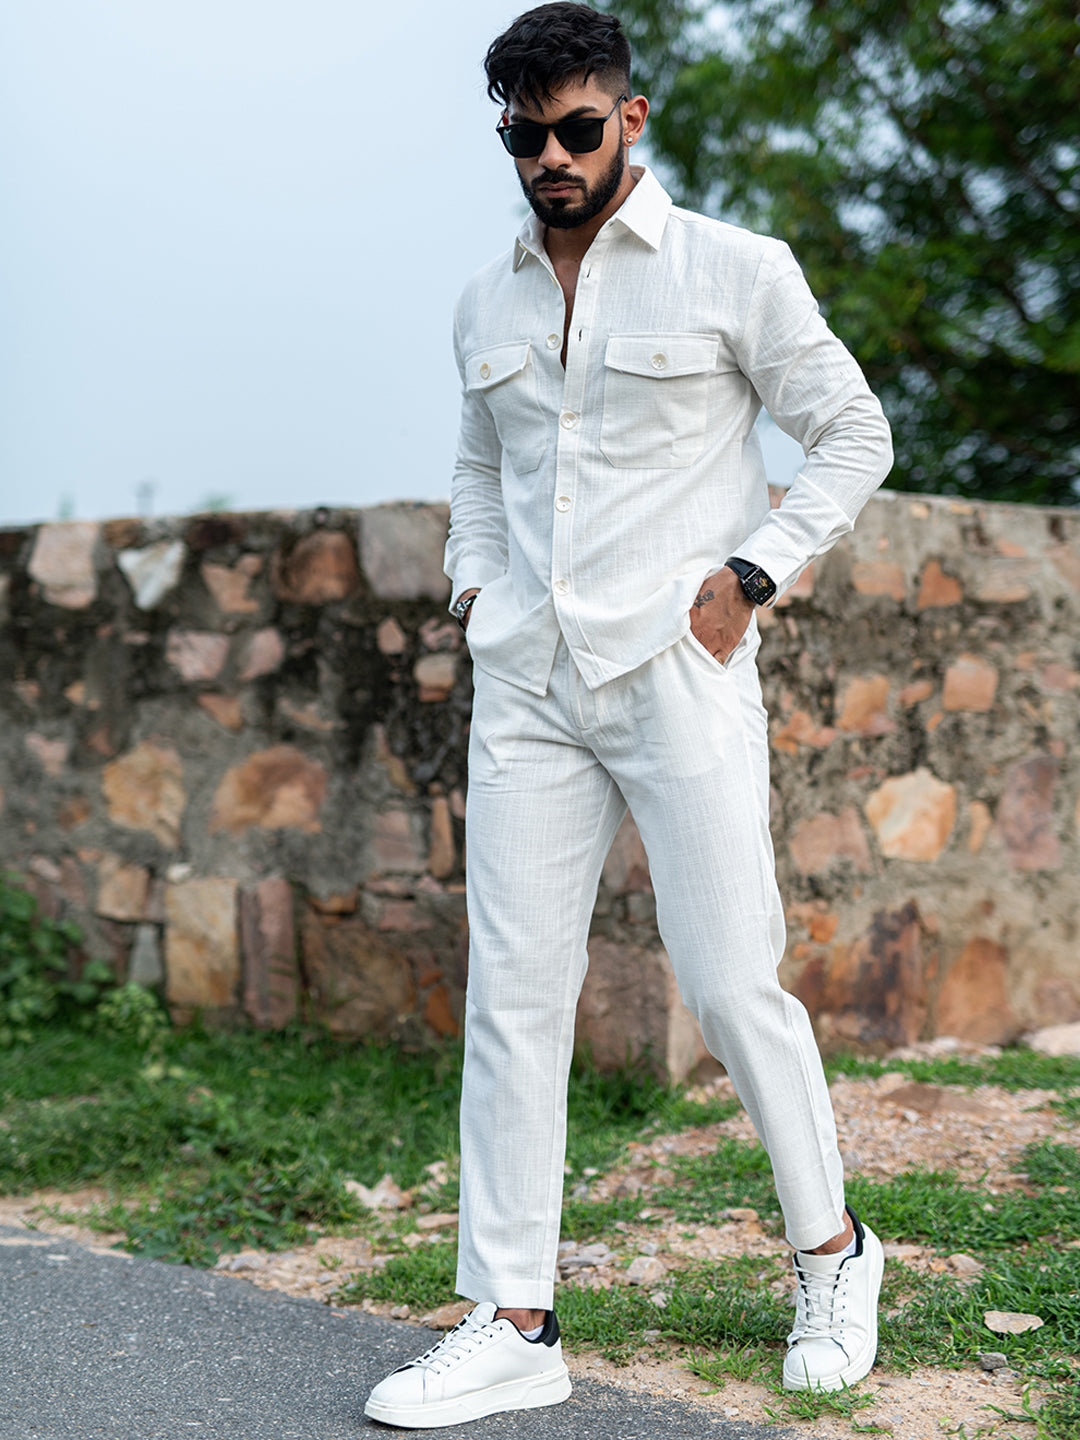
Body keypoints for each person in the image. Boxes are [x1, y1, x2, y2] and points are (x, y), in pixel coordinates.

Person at [365, 3, 892, 1427]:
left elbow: (855, 433)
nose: (550, 157)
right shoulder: (485, 305)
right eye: (523, 137)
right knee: (515, 995)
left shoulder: (735, 270)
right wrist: (477, 587)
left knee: (728, 982)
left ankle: (834, 1255)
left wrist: (750, 576)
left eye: (576, 129)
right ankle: (513, 1319)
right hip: (531, 683)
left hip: (677, 665)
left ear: (629, 119)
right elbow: (479, 470)